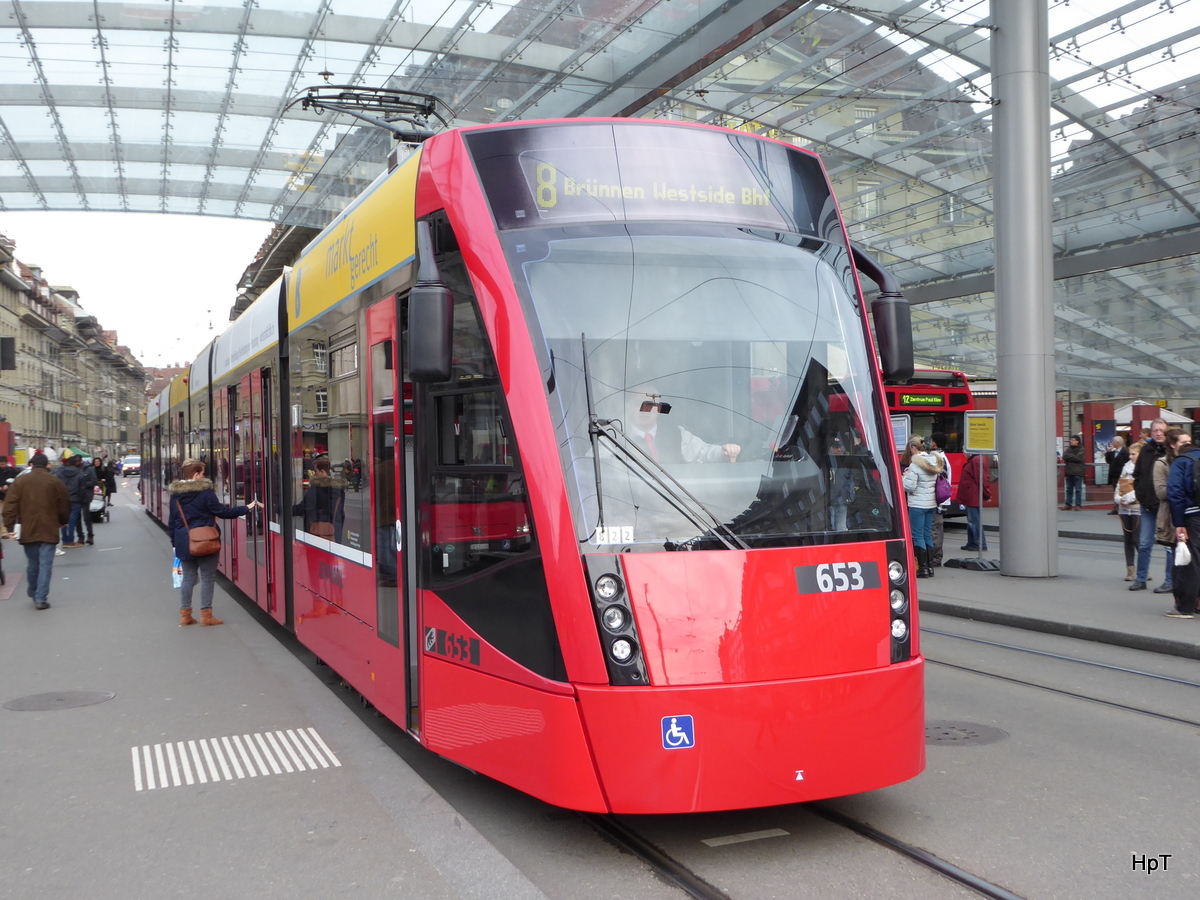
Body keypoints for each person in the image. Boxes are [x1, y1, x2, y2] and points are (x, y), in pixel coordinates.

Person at [168, 458, 258, 626]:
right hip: (206, 540)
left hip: (183, 541)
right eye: (202, 473)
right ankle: (206, 616)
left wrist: (175, 543)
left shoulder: (176, 496)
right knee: (208, 578)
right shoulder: (206, 493)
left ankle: (185, 615)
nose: (203, 476)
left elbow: (172, 522)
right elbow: (222, 512)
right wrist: (246, 508)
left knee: (188, 578)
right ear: (196, 475)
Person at [2, 452, 71, 609]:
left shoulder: (20, 482)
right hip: (49, 527)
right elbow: (65, 504)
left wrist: (10, 527)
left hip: (28, 528)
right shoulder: (54, 481)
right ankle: (41, 598)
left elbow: (9, 506)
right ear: (47, 465)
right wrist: (62, 521)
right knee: (46, 563)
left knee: (33, 563)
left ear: (31, 465)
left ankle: (33, 590)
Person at [626, 388, 741, 463]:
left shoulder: (676, 434)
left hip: (675, 498)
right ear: (629, 407)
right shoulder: (616, 435)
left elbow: (702, 452)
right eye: (638, 404)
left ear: (659, 408)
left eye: (650, 404)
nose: (645, 410)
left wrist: (722, 452)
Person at [1130, 418, 1169, 592]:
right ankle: (1141, 578)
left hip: (1167, 506)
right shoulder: (1146, 449)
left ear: (1167, 432)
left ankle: (1170, 581)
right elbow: (1137, 474)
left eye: (1162, 430)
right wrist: (1140, 493)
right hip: (1147, 505)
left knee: (1170, 545)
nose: (1159, 433)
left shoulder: (1172, 450)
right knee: (1145, 543)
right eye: (1155, 431)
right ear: (1151, 433)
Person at [1151, 428, 1190, 595]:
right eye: (1183, 442)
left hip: (1192, 516)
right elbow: (1160, 492)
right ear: (1173, 445)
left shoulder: (1192, 460)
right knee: (1179, 559)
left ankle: (1194, 598)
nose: (1188, 445)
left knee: (1194, 561)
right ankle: (1180, 598)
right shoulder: (1162, 464)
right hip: (1171, 516)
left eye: (1189, 441)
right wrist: (1183, 489)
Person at [1165, 434, 1200, 618]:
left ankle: (1184, 608)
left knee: (1190, 562)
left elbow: (1175, 494)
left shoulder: (1181, 462)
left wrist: (1179, 523)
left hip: (1192, 516)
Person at [901, 436, 945, 578]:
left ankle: (922, 568)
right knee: (927, 534)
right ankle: (930, 567)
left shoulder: (915, 465)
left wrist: (904, 477)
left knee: (917, 535)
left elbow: (909, 486)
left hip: (917, 505)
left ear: (913, 448)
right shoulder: (933, 462)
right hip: (931, 504)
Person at [292, 456, 347, 542]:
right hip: (334, 535)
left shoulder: (316, 489)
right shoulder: (339, 490)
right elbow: (340, 515)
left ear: (322, 471)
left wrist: (279, 508)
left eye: (315, 471)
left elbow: (303, 509)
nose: (314, 474)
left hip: (316, 534)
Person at [1114, 442, 1141, 581]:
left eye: (1133, 454)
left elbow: (1143, 488)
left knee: (1137, 539)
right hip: (1124, 508)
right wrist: (1118, 499)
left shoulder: (1143, 468)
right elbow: (1119, 484)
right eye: (1130, 453)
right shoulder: (1126, 466)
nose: (1130, 456)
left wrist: (1128, 498)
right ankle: (1130, 571)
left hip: (1137, 509)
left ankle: (1143, 570)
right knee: (1128, 540)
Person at [956, 452, 991, 551]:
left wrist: (987, 493)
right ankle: (972, 542)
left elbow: (982, 479)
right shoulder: (974, 460)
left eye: (964, 450)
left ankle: (979, 543)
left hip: (973, 496)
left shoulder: (976, 460)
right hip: (971, 496)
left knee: (974, 521)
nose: (963, 453)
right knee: (972, 520)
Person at [927, 431, 953, 566]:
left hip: (937, 501)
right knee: (936, 529)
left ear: (934, 443)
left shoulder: (938, 459)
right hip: (941, 501)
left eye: (931, 441)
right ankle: (936, 557)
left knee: (935, 530)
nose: (929, 444)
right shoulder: (942, 457)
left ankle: (935, 559)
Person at [53, 453, 87, 549]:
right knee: (72, 520)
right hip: (75, 499)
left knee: (64, 521)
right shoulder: (80, 473)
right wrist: (81, 498)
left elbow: (56, 485)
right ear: (76, 463)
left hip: (62, 499)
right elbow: (82, 488)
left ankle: (65, 540)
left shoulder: (60, 473)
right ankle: (70, 540)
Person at [75, 456, 99, 545]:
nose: (77, 463)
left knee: (86, 517)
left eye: (78, 461)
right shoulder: (74, 470)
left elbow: (94, 481)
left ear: (81, 461)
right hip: (76, 496)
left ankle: (90, 535)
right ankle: (80, 536)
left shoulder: (89, 469)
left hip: (86, 495)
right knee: (77, 517)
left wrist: (84, 485)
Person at [1105, 436, 1128, 515]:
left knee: (1122, 491)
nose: (1112, 443)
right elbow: (1108, 461)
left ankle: (1121, 507)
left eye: (1114, 442)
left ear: (1118, 443)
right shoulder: (1113, 452)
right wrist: (1108, 452)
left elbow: (1125, 463)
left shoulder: (1125, 452)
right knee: (1115, 491)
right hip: (1113, 475)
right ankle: (1116, 507)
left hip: (1121, 475)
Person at [1061, 435, 1085, 510]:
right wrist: (1073, 457)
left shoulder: (1081, 449)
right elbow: (1064, 456)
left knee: (1078, 489)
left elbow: (1079, 458)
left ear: (1078, 441)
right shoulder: (1068, 449)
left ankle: (1078, 504)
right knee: (1069, 489)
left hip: (1078, 472)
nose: (1071, 441)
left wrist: (1070, 457)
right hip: (1069, 472)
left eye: (1073, 440)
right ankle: (1068, 504)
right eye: (1070, 439)